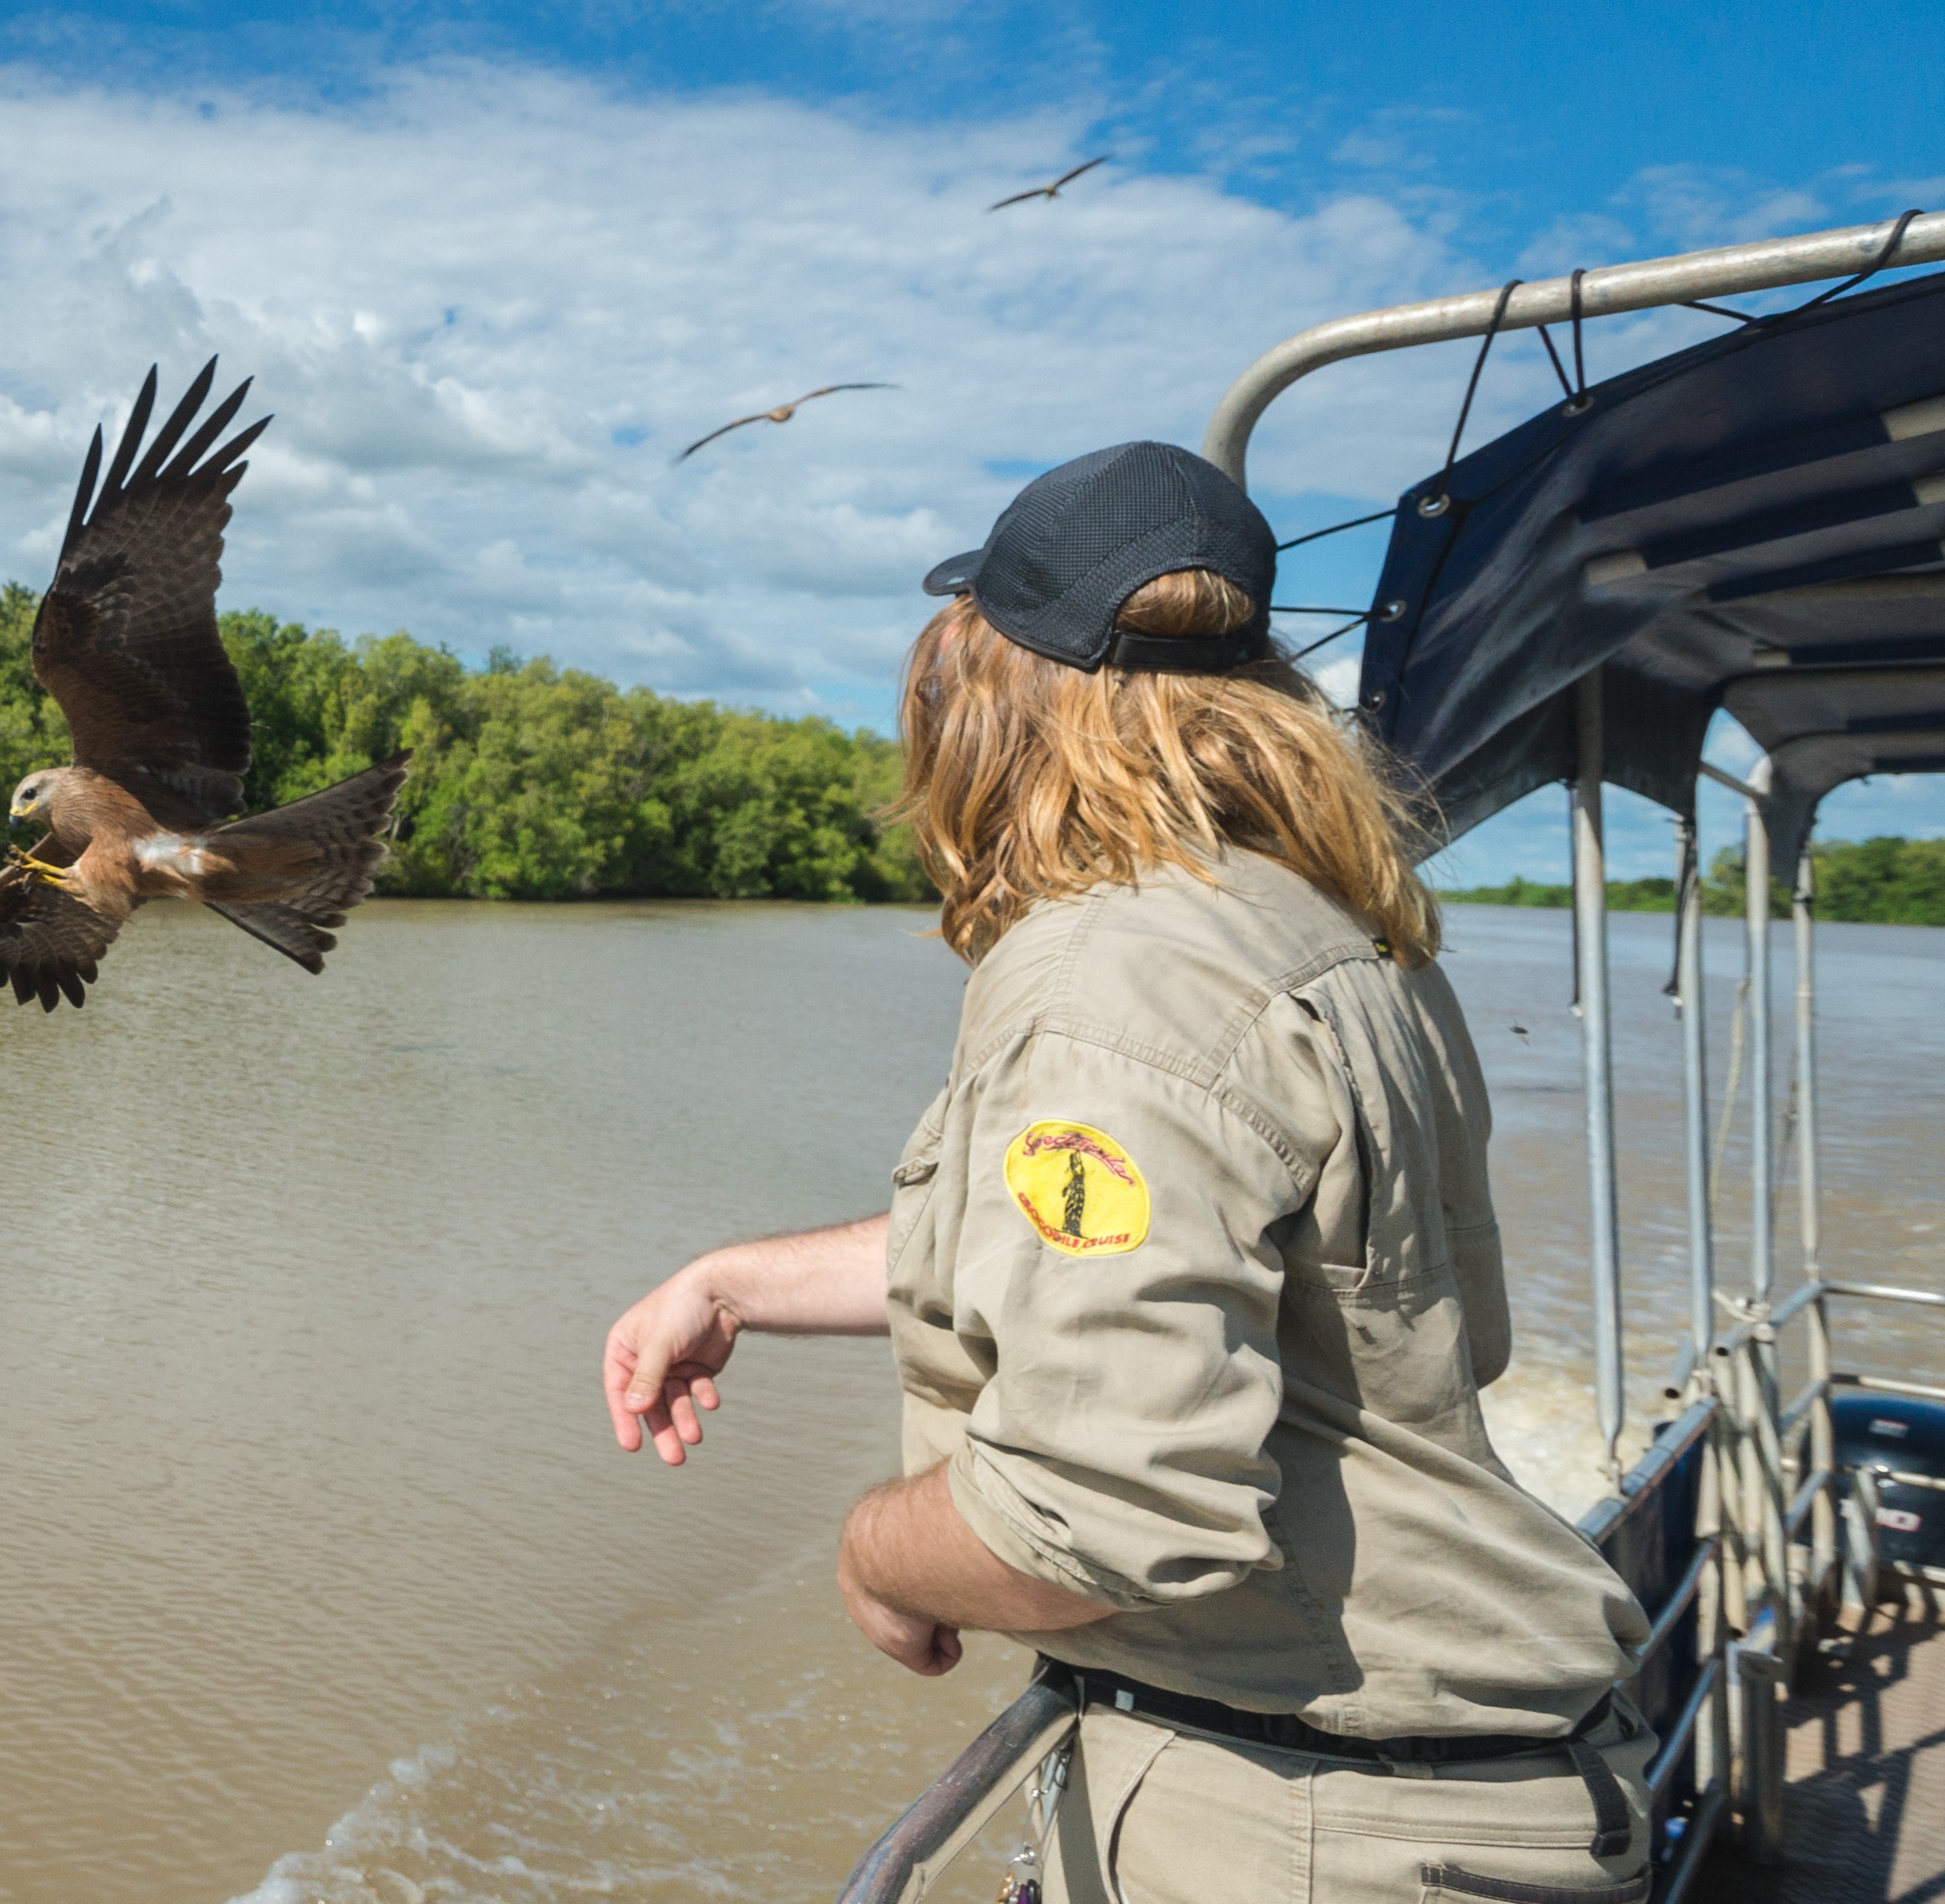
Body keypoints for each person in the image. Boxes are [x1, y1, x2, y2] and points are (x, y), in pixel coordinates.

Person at [600, 442, 1655, 1904]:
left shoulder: (1116, 984)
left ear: (998, 695)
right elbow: (1124, 1236)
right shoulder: (1330, 935)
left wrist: (877, 1552)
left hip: (1314, 1827)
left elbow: (1103, 1513)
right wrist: (731, 1280)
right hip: (1456, 1793)